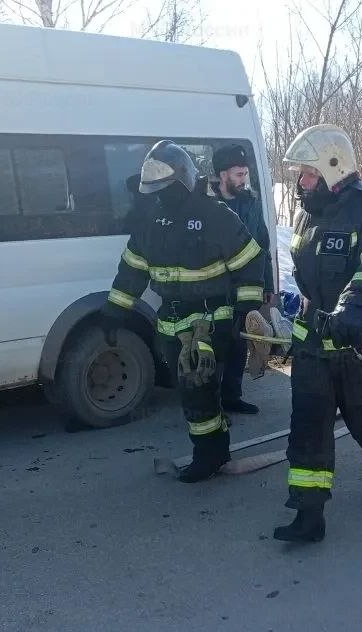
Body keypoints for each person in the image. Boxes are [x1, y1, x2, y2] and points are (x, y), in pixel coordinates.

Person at [273, 123, 362, 543]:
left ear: (334, 169)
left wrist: (356, 303)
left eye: (309, 173)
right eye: (300, 173)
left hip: (354, 349)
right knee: (308, 427)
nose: (301, 181)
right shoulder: (307, 214)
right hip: (311, 345)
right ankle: (309, 515)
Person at [100, 140, 266, 482]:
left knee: (197, 388)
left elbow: (250, 262)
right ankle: (215, 447)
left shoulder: (216, 216)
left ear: (185, 180)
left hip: (210, 321)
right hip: (170, 323)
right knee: (192, 392)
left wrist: (247, 309)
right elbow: (132, 269)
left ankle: (208, 457)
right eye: (157, 190)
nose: (163, 196)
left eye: (168, 188)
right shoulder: (150, 220)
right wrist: (115, 310)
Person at [210, 144, 275, 415]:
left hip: (245, 287)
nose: (243, 179)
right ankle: (211, 404)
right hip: (214, 288)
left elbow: (262, 245)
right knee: (214, 346)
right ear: (222, 175)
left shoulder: (250, 202)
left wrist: (268, 284)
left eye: (245, 173)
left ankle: (232, 396)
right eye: (239, 174)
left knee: (239, 342)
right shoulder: (205, 205)